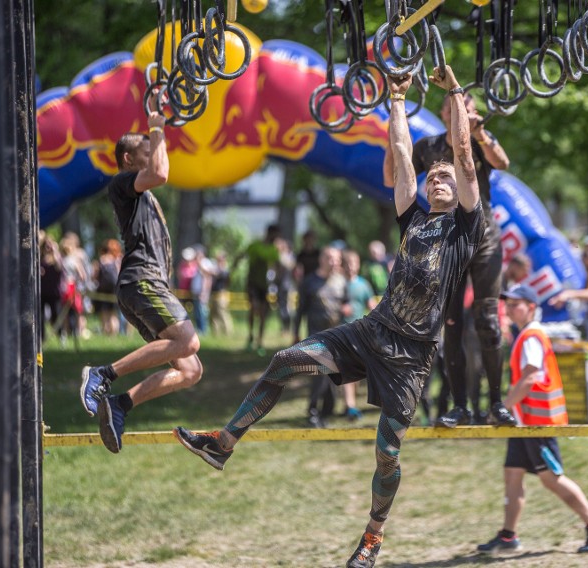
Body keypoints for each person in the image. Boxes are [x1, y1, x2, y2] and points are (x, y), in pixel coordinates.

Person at [173, 64, 484, 568]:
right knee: (284, 359)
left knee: (387, 451)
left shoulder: (465, 230)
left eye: (446, 177)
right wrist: (398, 101)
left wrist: (454, 92)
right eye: (435, 177)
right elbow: (403, 157)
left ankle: (373, 535)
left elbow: (466, 157)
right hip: (371, 331)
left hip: (411, 357)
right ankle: (224, 442)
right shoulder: (414, 215)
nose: (440, 178)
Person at [384, 88, 514, 429]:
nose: (461, 111)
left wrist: (479, 132)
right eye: (455, 107)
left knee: (487, 320)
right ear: (445, 113)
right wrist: (393, 142)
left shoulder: (480, 138)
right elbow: (390, 178)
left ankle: (496, 404)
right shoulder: (427, 146)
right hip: (446, 240)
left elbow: (502, 163)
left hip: (481, 236)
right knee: (451, 325)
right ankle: (459, 407)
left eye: (467, 108)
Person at [79, 111, 203, 454]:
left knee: (191, 370)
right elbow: (160, 173)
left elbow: (159, 170)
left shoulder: (141, 193)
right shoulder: (122, 183)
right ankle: (103, 373)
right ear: (129, 159)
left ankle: (121, 404)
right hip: (141, 279)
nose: (158, 156)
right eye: (148, 152)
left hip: (149, 285)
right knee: (188, 342)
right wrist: (157, 126)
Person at [477, 284, 588, 556]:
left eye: (517, 304)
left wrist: (501, 409)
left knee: (552, 479)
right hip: (524, 424)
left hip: (537, 424)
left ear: (532, 307)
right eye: (508, 304)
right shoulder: (524, 335)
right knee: (512, 476)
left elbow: (530, 378)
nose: (511, 308)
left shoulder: (532, 336)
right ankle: (508, 536)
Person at [293, 246, 349, 428]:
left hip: (337, 337)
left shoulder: (341, 282)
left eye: (337, 259)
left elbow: (346, 304)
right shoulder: (309, 282)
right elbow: (300, 311)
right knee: (320, 375)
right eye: (330, 259)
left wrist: (346, 309)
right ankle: (312, 411)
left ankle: (325, 412)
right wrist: (295, 333)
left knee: (333, 378)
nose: (334, 263)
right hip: (316, 337)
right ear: (322, 260)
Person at [341, 249, 378, 421]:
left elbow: (371, 305)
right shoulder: (339, 284)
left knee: (355, 373)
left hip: (358, 333)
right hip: (340, 333)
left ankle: (349, 404)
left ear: (358, 265)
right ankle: (351, 406)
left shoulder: (363, 285)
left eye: (353, 263)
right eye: (347, 264)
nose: (350, 267)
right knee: (346, 369)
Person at [236, 226, 280, 354]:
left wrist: (277, 281)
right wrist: (231, 272)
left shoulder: (273, 250)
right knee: (254, 308)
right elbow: (241, 255)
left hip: (263, 286)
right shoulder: (255, 246)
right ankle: (250, 336)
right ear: (270, 234)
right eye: (275, 235)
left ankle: (259, 341)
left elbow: (276, 266)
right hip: (252, 284)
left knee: (262, 314)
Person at [91, 238, 122, 336]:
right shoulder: (116, 260)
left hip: (102, 290)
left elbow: (94, 275)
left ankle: (106, 333)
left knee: (104, 313)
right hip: (114, 289)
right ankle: (114, 335)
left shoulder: (101, 259)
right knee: (113, 313)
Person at [209, 250, 234, 336]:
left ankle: (228, 332)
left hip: (222, 294)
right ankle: (216, 333)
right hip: (214, 294)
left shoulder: (225, 269)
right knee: (214, 314)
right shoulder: (217, 267)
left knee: (222, 313)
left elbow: (220, 275)